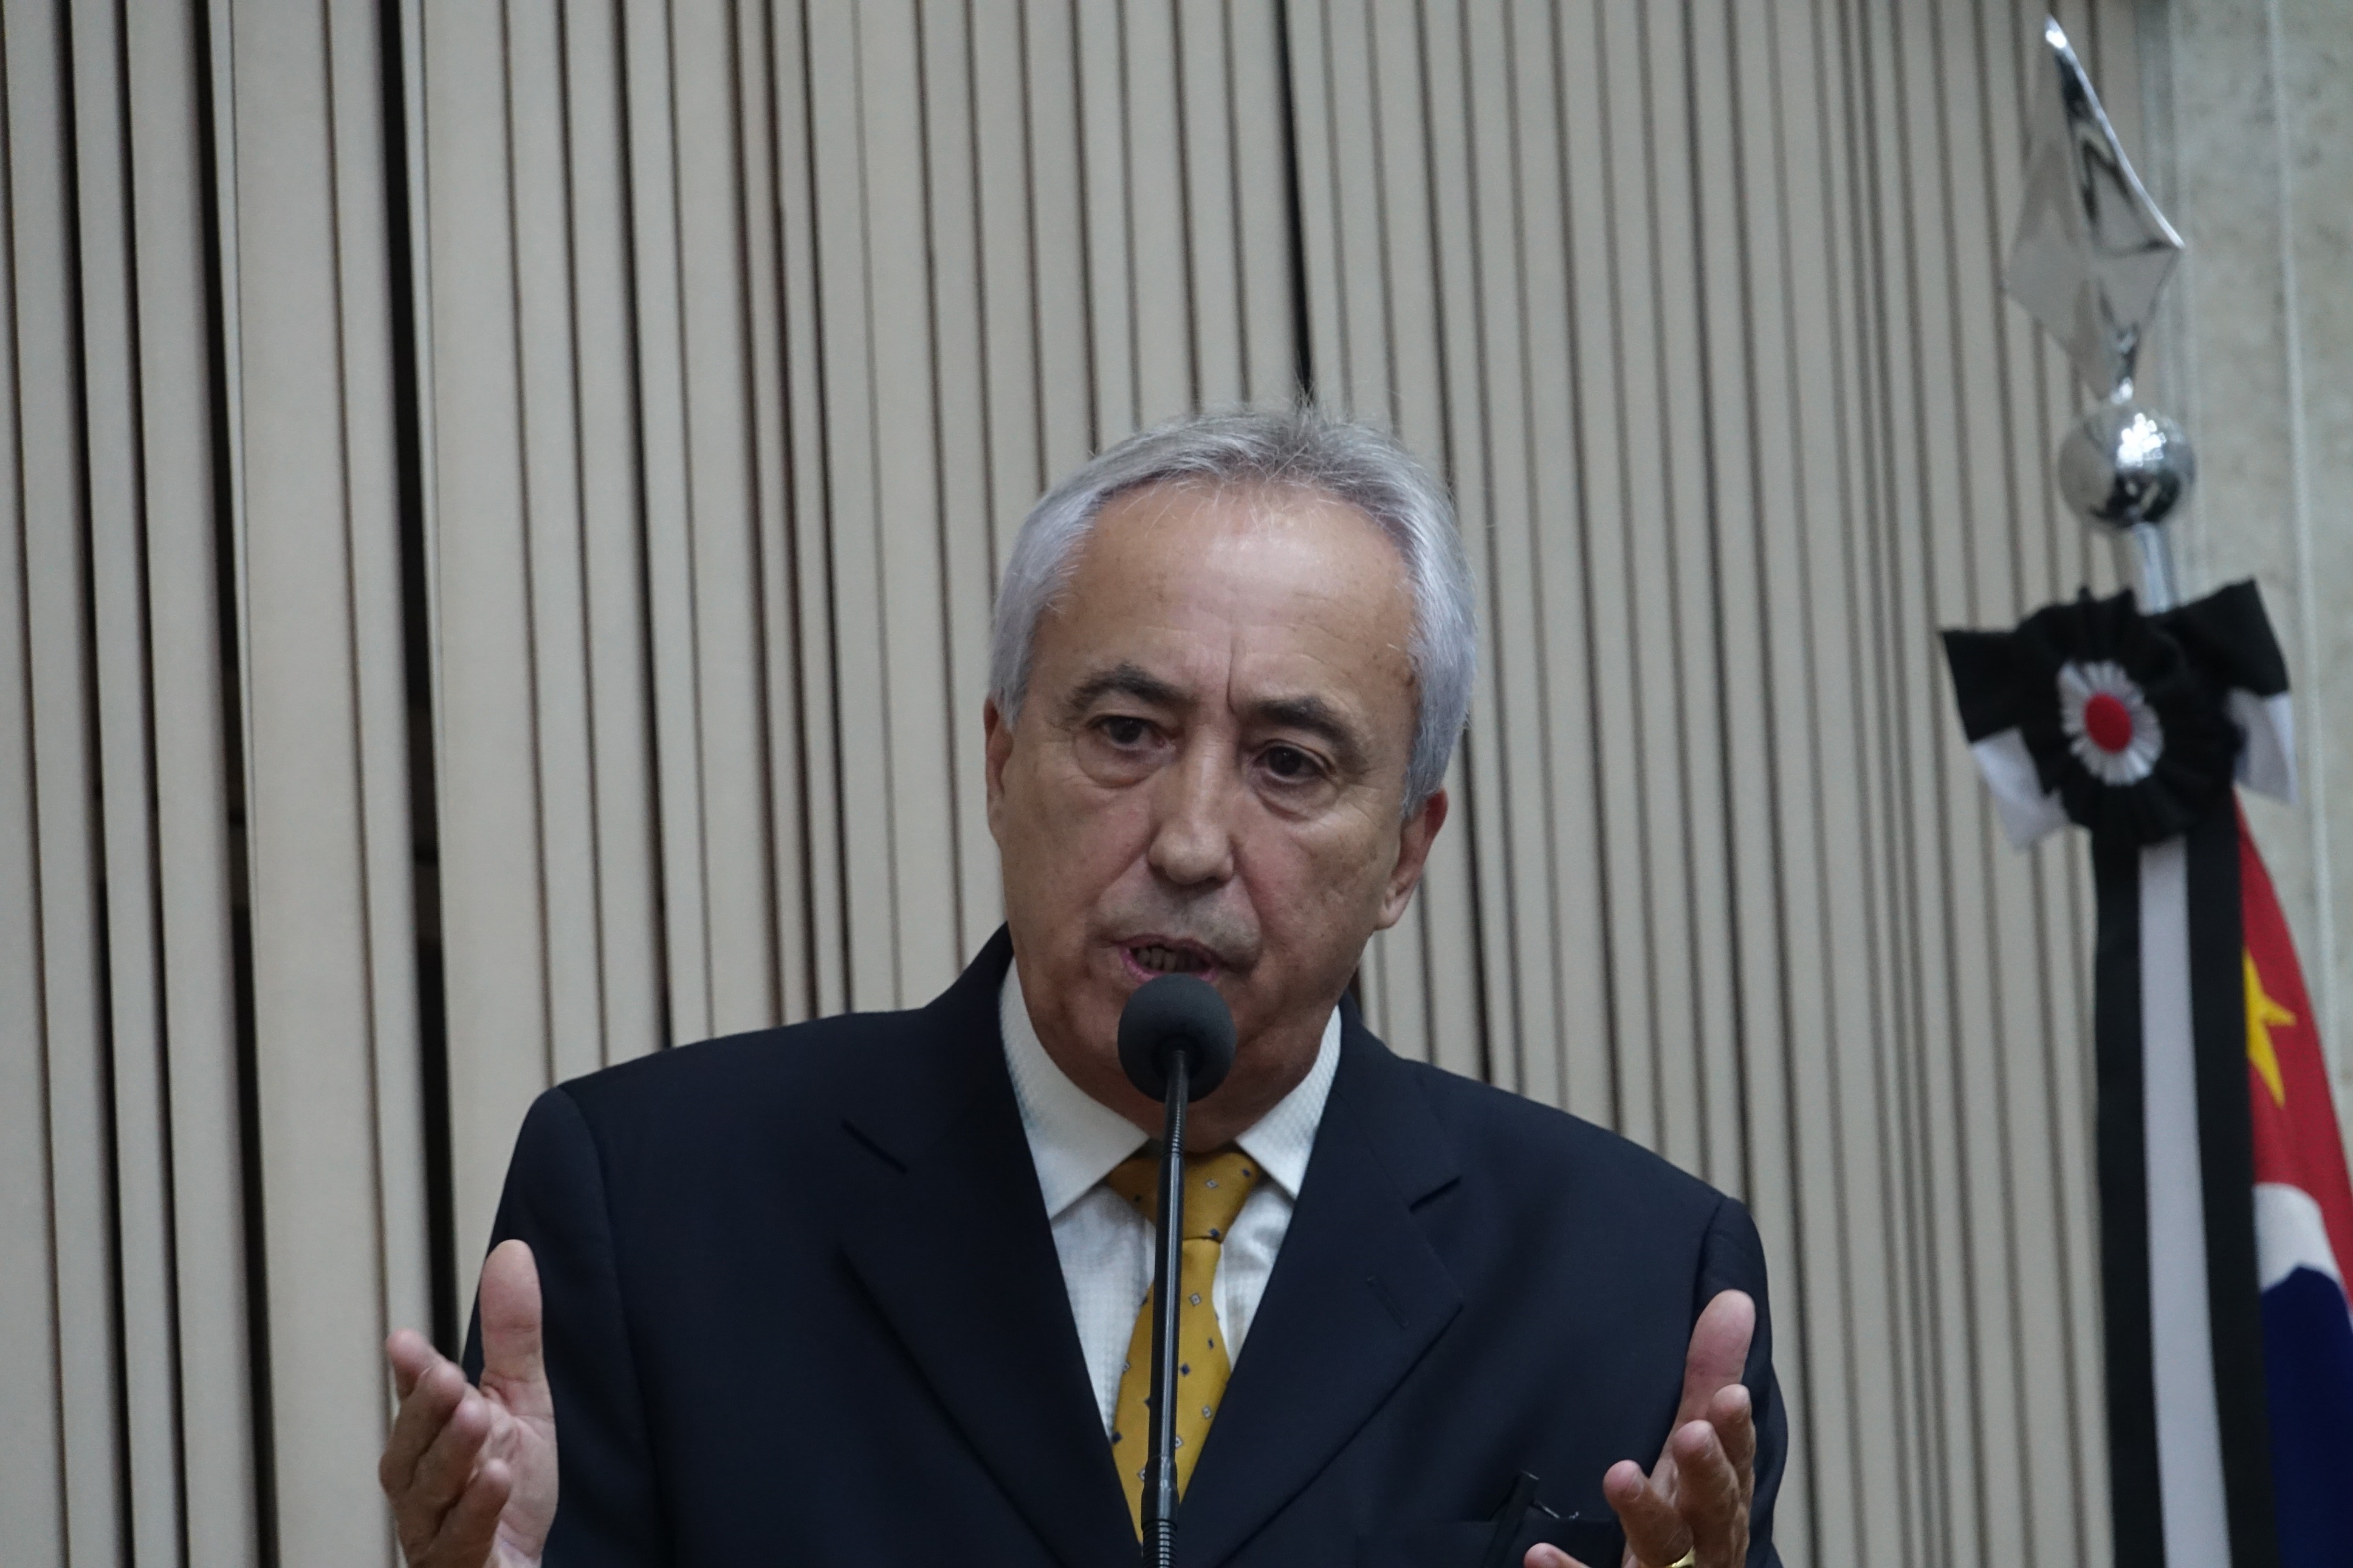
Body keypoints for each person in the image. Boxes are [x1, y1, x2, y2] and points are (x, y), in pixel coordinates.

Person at [376, 408, 1784, 1567]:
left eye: (1289, 763)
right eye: (1124, 731)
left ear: (1406, 853)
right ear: (1001, 764)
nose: (1189, 841)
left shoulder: (1631, 1283)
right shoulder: (655, 1203)